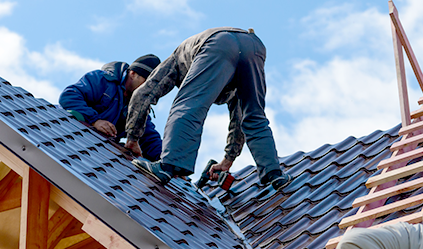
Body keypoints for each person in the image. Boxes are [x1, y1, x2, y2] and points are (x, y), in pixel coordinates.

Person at [124, 27, 291, 190]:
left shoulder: (175, 61)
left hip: (219, 43)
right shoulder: (229, 75)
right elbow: (240, 120)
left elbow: (143, 94)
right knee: (255, 116)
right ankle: (274, 174)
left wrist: (132, 138)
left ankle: (167, 167)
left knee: (189, 105)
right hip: (253, 47)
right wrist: (228, 161)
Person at [59, 54, 163, 161]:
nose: (149, 90)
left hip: (94, 153)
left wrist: (167, 160)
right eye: (147, 83)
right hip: (68, 137)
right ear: (132, 73)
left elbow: (149, 138)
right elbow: (69, 96)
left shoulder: (139, 107)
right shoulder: (102, 80)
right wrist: (95, 120)